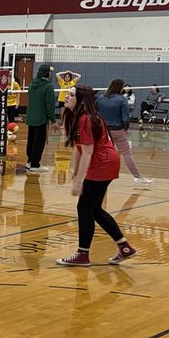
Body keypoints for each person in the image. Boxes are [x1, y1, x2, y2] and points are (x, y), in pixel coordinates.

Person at [56, 85, 135, 266]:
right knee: (95, 210)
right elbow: (78, 149)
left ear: (82, 99)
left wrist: (79, 182)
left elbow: (88, 152)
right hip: (104, 162)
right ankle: (124, 247)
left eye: (71, 95)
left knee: (84, 209)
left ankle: (83, 254)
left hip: (102, 163)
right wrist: (75, 174)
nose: (67, 97)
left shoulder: (85, 119)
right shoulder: (76, 117)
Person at [97, 79, 150, 184]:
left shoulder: (100, 98)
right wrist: (125, 128)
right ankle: (137, 177)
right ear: (120, 88)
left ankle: (98, 174)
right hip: (117, 130)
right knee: (126, 153)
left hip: (103, 131)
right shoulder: (121, 100)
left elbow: (96, 114)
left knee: (100, 153)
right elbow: (125, 118)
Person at [25, 64, 56, 172]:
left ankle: (29, 161)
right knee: (39, 142)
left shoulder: (32, 84)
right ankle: (35, 164)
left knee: (31, 140)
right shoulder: (48, 87)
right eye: (50, 72)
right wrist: (53, 120)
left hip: (30, 117)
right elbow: (50, 105)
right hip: (41, 118)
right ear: (47, 74)